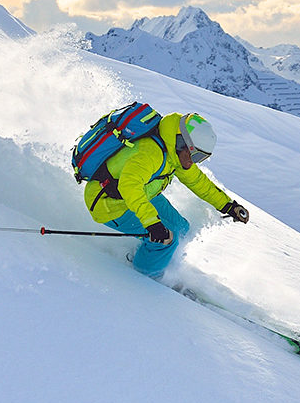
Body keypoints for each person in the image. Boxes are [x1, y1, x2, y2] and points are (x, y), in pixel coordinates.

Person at [83, 112, 249, 279]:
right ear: (182, 142)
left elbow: (199, 182)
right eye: (195, 154)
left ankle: (149, 257)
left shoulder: (175, 155)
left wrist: (228, 205)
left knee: (181, 228)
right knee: (166, 240)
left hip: (142, 193)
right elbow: (129, 187)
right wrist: (151, 222)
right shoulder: (150, 153)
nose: (194, 161)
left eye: (201, 157)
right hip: (109, 204)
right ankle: (144, 277)